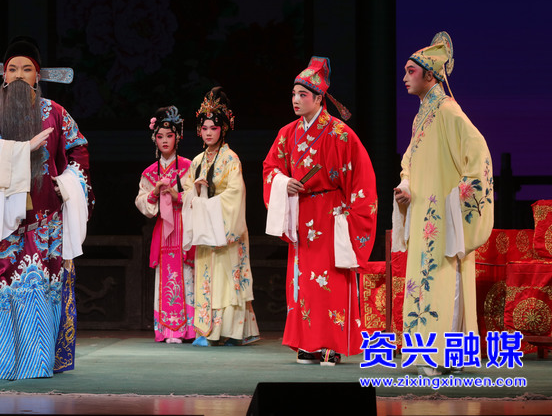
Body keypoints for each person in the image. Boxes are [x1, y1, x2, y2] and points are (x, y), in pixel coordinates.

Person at [0, 36, 92, 380]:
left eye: (27, 69)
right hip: (0, 224)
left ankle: (37, 362)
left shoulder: (56, 114)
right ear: (3, 76)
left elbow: (78, 150)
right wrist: (21, 150)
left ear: (38, 76)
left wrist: (68, 184)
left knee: (38, 288)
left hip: (43, 224)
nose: (19, 75)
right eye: (13, 69)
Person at [262, 57, 378, 365]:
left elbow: (362, 179)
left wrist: (352, 217)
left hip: (332, 215)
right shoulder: (287, 133)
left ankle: (331, 344)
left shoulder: (341, 134)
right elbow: (271, 168)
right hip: (301, 213)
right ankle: (307, 343)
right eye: (293, 94)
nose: (295, 100)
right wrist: (283, 182)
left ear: (318, 98)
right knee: (303, 281)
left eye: (302, 95)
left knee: (331, 280)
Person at [392, 31, 493, 376]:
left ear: (431, 75)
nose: (405, 78)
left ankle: (443, 356)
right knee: (425, 280)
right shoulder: (422, 115)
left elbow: (478, 155)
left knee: (445, 278)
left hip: (443, 215)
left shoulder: (449, 111)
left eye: (411, 71)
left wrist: (458, 199)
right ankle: (431, 354)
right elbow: (409, 160)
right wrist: (407, 185)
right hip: (423, 212)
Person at [181, 86, 259, 346]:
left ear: (223, 129)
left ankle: (232, 331)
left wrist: (210, 202)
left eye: (213, 128)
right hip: (207, 232)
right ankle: (209, 331)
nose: (208, 133)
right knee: (208, 280)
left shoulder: (231, 159)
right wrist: (196, 192)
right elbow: (187, 193)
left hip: (226, 230)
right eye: (204, 128)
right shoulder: (197, 161)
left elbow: (235, 194)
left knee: (228, 279)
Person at [135, 106, 195, 343]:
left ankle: (191, 329)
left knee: (188, 274)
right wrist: (154, 193)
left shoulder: (190, 166)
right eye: (160, 136)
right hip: (164, 230)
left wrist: (177, 195)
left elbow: (198, 197)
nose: (165, 141)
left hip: (186, 226)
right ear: (155, 139)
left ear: (178, 137)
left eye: (169, 136)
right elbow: (141, 202)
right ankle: (169, 329)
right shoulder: (150, 172)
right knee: (167, 276)